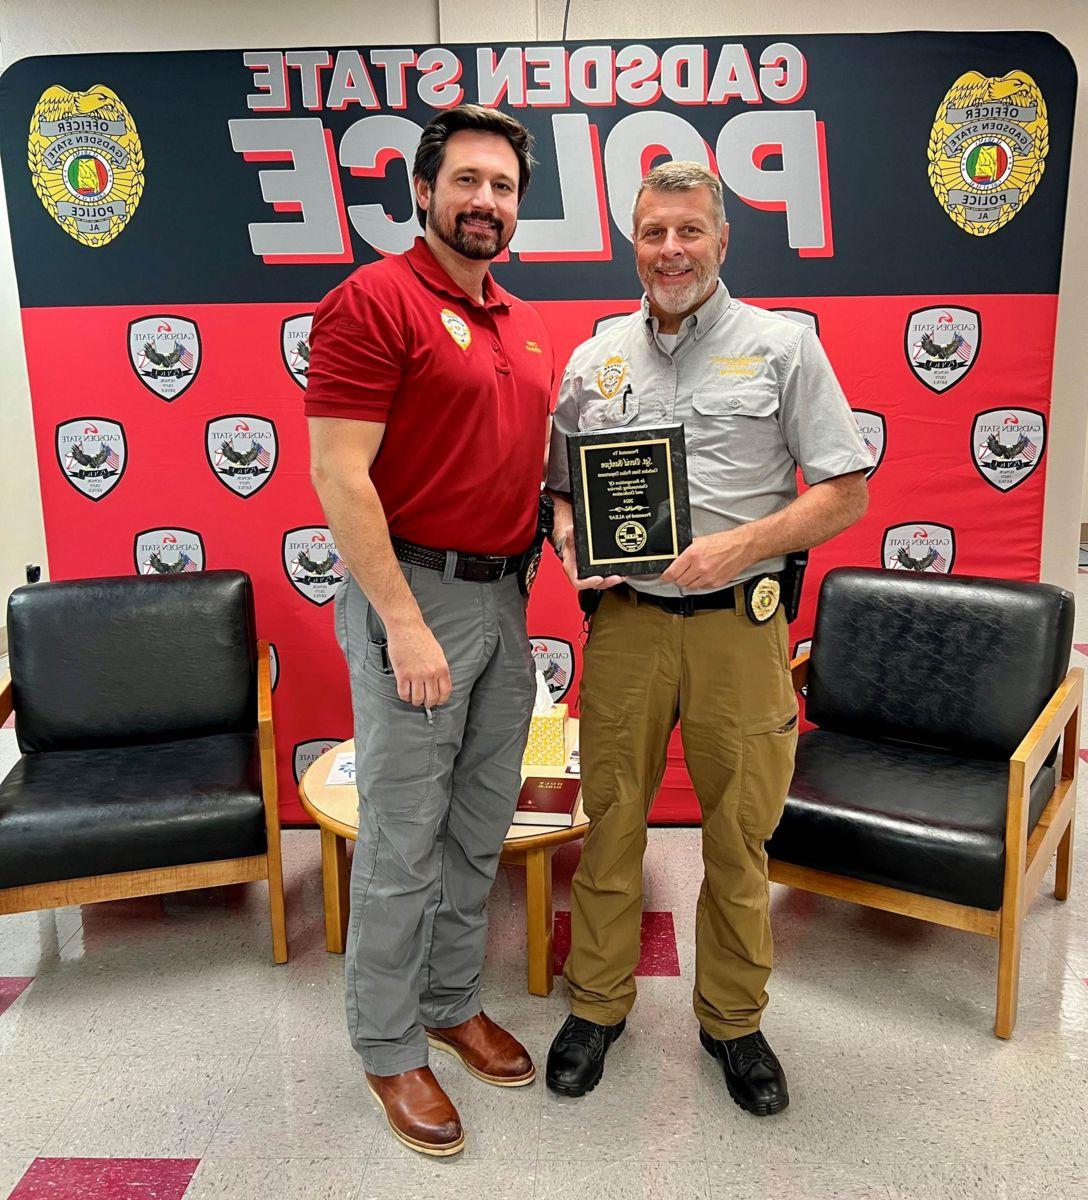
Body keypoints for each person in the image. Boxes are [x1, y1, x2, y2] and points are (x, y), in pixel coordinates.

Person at [543, 161, 870, 1115]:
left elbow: (845, 492)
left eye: (689, 232)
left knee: (738, 837)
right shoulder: (595, 357)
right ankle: (598, 1003)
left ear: (722, 241)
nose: (671, 251)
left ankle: (734, 1020)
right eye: (654, 234)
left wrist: (741, 545)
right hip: (630, 630)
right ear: (632, 245)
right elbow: (562, 481)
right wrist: (570, 536)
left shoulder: (784, 346)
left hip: (738, 632)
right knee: (610, 825)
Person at [305, 105, 554, 1157]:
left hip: (505, 598)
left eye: (501, 187)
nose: (485, 202)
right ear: (421, 191)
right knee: (403, 836)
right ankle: (386, 1041)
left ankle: (451, 1001)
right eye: (466, 182)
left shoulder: (523, 321)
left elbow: (522, 465)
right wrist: (403, 627)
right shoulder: (372, 301)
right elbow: (337, 474)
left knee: (477, 824)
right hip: (413, 598)